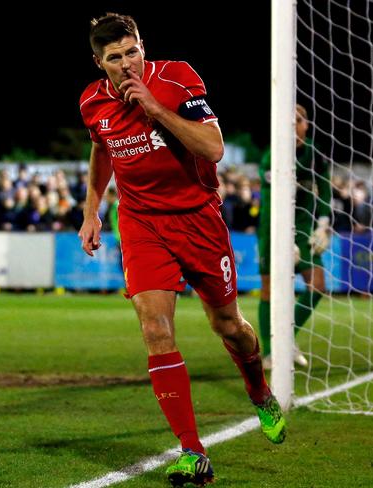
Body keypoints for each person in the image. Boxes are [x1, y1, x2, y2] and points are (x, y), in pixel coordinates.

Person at [78, 13, 286, 487]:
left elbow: (213, 149)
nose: (127, 63)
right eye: (115, 57)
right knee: (155, 328)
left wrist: (155, 109)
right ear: (99, 62)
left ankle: (258, 390)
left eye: (133, 51)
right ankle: (193, 452)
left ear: (142, 46)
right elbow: (101, 150)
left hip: (198, 219)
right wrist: (91, 211)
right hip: (140, 222)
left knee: (228, 326)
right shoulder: (92, 101)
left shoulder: (175, 78)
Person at [257, 104, 331, 370]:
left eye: (298, 121)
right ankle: (268, 352)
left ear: (306, 125)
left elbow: (324, 189)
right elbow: (273, 202)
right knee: (269, 289)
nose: (294, 126)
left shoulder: (314, 154)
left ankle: (285, 340)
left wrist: (324, 223)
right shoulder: (273, 156)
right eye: (288, 122)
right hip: (273, 230)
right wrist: (283, 240)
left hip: (303, 230)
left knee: (318, 285)